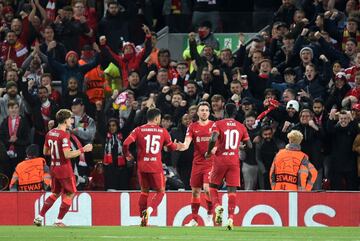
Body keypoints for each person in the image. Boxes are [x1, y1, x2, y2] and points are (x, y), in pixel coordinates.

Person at [123, 108, 183, 227]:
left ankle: (143, 220)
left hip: (142, 166)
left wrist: (127, 155)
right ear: (156, 118)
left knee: (144, 192)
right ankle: (149, 211)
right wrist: (178, 146)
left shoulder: (138, 130)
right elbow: (171, 147)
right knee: (160, 192)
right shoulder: (163, 131)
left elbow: (125, 143)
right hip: (155, 166)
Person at [33, 109, 93, 227]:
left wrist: (56, 152)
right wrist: (83, 150)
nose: (72, 120)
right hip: (64, 168)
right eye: (70, 118)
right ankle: (58, 221)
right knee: (70, 193)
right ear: (65, 120)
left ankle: (39, 217)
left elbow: (45, 151)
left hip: (54, 168)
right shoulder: (64, 135)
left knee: (55, 193)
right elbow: (67, 155)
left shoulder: (50, 133)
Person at [205, 103, 252, 230]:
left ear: (224, 111)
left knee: (213, 186)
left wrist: (209, 152)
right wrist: (239, 146)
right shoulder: (241, 126)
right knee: (232, 191)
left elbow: (213, 138)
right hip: (234, 161)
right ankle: (230, 218)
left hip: (220, 160)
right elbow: (250, 145)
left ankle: (217, 206)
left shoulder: (218, 124)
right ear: (235, 113)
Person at [179, 102, 214, 226]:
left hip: (211, 163)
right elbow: (186, 143)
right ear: (198, 113)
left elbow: (219, 143)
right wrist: (180, 146)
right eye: (202, 110)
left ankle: (210, 215)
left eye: (206, 110)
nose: (204, 112)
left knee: (207, 188)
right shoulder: (192, 127)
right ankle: (194, 219)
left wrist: (215, 150)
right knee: (195, 192)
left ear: (209, 113)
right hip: (197, 163)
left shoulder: (214, 126)